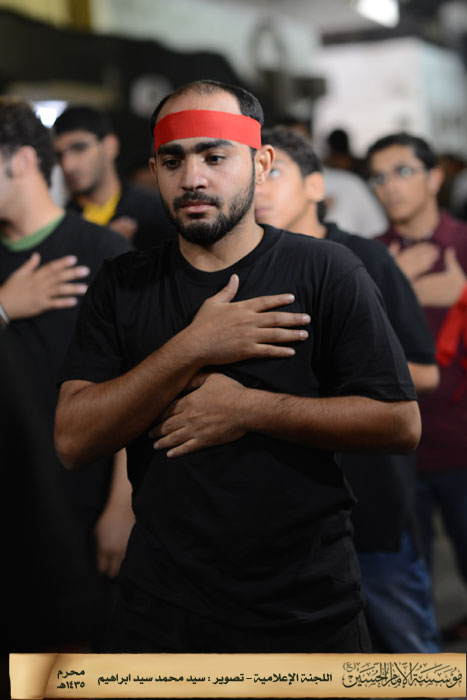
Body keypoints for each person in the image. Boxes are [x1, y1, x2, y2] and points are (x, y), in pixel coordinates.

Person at [55, 79, 421, 654]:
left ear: (261, 163)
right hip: (163, 614)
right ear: (153, 171)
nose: (192, 178)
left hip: (306, 611)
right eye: (172, 161)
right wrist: (192, 347)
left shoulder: (327, 270)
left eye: (214, 156)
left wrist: (248, 409)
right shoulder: (123, 284)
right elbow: (73, 440)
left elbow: (399, 423)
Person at [255, 125, 441, 652]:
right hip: (288, 512)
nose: (260, 187)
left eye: (275, 172)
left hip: (370, 500)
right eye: (252, 176)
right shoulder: (251, 269)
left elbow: (425, 372)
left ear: (316, 187)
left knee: (406, 656)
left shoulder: (363, 259)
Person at [0, 97, 134, 649]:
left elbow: (139, 387)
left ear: (22, 160)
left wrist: (122, 506)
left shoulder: (103, 251)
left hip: (84, 506)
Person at [366, 131, 467, 644]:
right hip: (397, 453)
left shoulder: (463, 245)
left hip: (462, 443)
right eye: (378, 177)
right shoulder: (367, 257)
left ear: (434, 177)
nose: (390, 186)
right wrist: (395, 285)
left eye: (403, 171)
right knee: (408, 589)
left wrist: (463, 295)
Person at [53, 105, 176, 250]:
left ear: (110, 146)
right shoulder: (59, 229)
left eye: (79, 148)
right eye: (59, 155)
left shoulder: (158, 212)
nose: (67, 165)